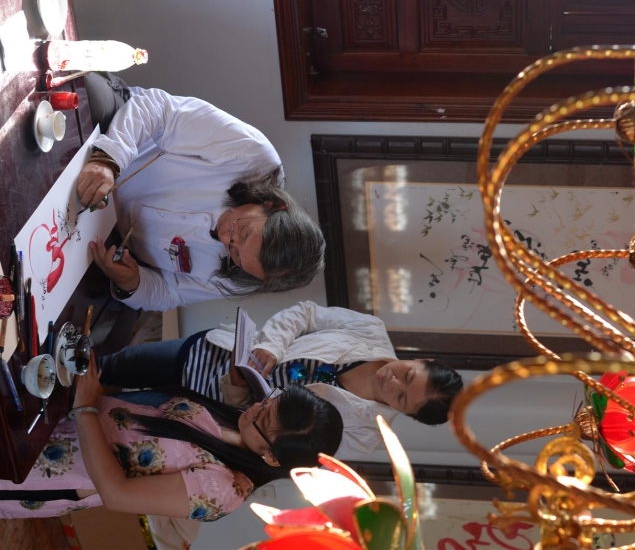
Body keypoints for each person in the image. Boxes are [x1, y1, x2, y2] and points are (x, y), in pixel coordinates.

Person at [76, 73, 325, 311]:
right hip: (119, 136)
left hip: (109, 230)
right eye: (243, 231)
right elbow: (160, 111)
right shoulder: (252, 154)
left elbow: (169, 293)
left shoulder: (240, 279)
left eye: (235, 255)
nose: (225, 238)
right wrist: (108, 159)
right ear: (272, 205)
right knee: (79, 92)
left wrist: (133, 282)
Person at [99, 301, 464, 460]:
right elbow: (306, 314)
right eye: (408, 374)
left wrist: (239, 393)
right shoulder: (371, 331)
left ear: (407, 414)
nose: (392, 383)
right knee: (110, 367)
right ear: (424, 360)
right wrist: (271, 346)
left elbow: (279, 443)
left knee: (112, 416)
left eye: (402, 398)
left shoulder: (365, 437)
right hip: (213, 352)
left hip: (210, 411)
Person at [0, 355, 343, 520]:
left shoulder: (224, 490)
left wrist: (87, 409)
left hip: (53, 471)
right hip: (64, 423)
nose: (256, 407)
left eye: (264, 418)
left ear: (272, 456)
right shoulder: (236, 423)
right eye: (269, 400)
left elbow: (118, 495)